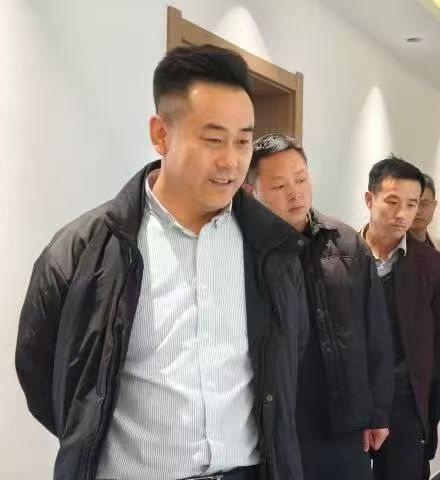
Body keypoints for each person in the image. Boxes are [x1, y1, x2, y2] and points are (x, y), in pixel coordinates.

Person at [15, 45, 309, 480]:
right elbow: (42, 372)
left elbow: (286, 362)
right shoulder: (87, 249)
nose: (231, 161)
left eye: (243, 141)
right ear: (160, 135)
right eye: (213, 140)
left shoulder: (272, 249)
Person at [245, 133, 394, 480]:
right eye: (279, 185)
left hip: (343, 417)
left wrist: (378, 411)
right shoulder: (246, 251)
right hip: (277, 423)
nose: (295, 193)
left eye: (301, 179)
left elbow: (375, 332)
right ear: (252, 191)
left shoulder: (345, 242)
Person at [362, 155, 440, 480]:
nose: (403, 213)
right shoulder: (340, 256)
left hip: (405, 402)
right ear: (369, 200)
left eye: (412, 204)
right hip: (350, 399)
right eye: (392, 202)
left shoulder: (434, 267)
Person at [409, 172, 440, 261]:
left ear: (434, 206)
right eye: (412, 204)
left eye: (425, 204)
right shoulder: (388, 251)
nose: (418, 211)